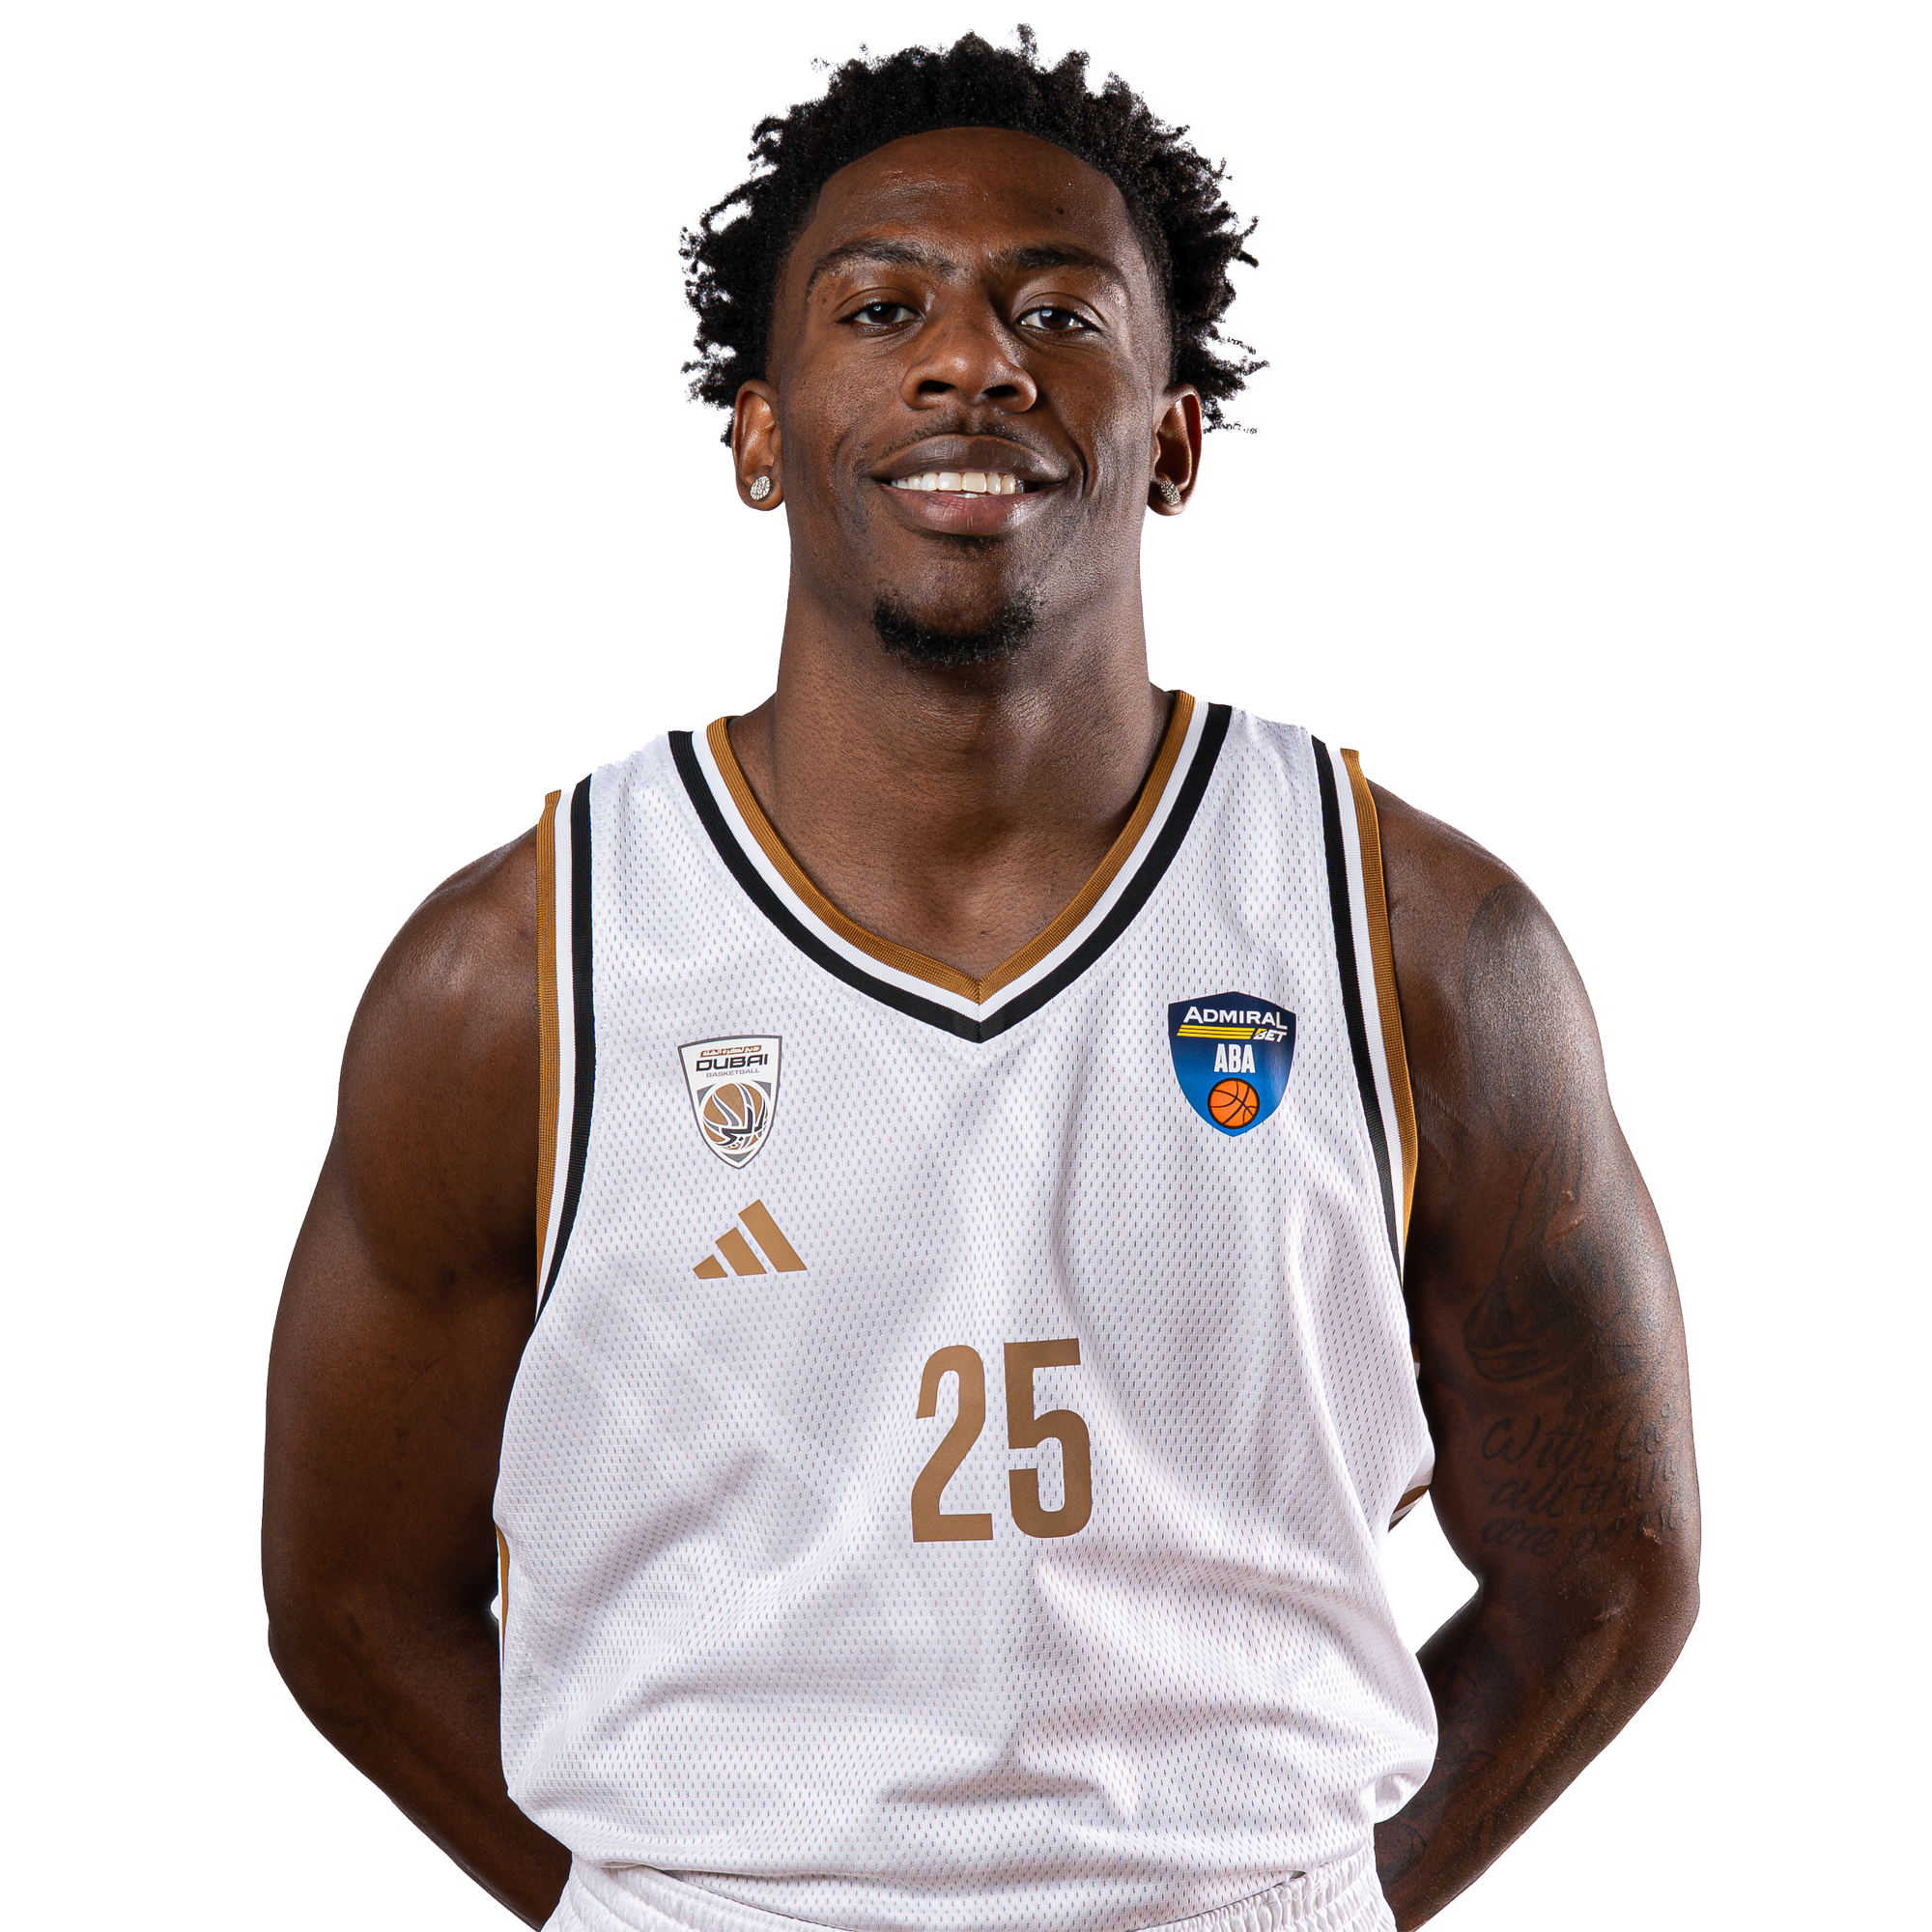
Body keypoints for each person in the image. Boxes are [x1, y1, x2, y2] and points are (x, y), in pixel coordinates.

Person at [265, 28, 1697, 1932]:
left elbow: (1609, 1574)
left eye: (1057, 311)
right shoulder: (517, 978)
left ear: (1173, 438)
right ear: (756, 431)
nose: (971, 360)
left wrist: (1298, 1900)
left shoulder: (1421, 945)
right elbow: (351, 1602)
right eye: (882, 309)